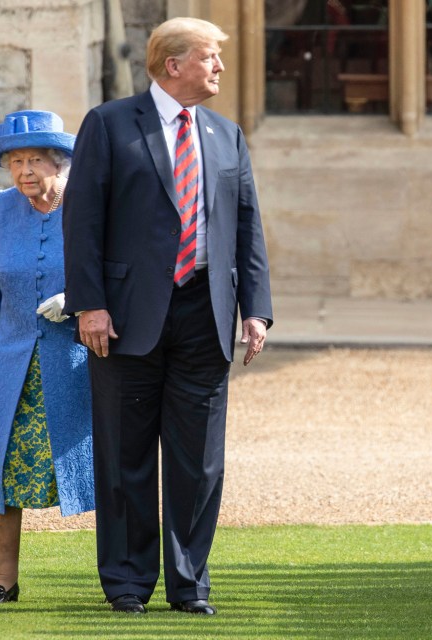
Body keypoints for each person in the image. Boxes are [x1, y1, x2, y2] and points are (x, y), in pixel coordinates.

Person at [62, 17, 274, 615]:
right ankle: (128, 584)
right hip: (125, 318)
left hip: (206, 314)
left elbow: (247, 227)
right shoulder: (107, 125)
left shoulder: (227, 135)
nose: (220, 69)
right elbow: (83, 223)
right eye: (211, 58)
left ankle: (190, 586)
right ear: (173, 63)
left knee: (199, 464)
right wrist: (91, 305)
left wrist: (256, 310)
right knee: (125, 457)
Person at [0, 110, 95, 605]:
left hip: (80, 360)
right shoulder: (1, 208)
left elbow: (117, 274)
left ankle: (120, 579)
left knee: (101, 469)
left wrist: (77, 298)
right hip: (17, 362)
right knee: (6, 471)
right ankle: (5, 578)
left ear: (60, 164)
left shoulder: (87, 203)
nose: (25, 171)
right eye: (16, 161)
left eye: (36, 159)